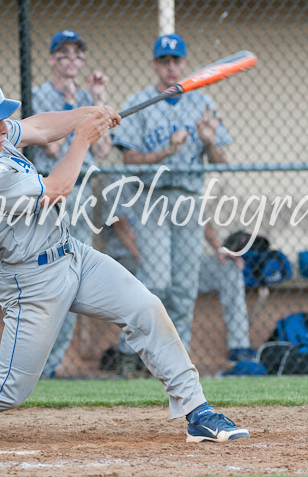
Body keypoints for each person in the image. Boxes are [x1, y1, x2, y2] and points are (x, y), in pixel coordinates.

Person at [0, 75, 249, 445]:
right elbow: (59, 188)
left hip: (72, 255)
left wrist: (88, 113)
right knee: (9, 388)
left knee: (146, 308)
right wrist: (83, 139)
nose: (3, 127)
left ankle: (197, 412)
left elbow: (39, 128)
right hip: (31, 279)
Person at [111, 34, 232, 352]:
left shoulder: (203, 103)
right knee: (156, 282)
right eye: (164, 61)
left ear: (185, 64)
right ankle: (132, 353)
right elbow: (129, 159)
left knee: (184, 288)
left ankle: (178, 357)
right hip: (153, 197)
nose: (171, 67)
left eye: (176, 60)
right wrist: (166, 152)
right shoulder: (140, 101)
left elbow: (222, 161)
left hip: (189, 198)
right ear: (154, 65)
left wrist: (208, 141)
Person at [30, 30, 110, 378]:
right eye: (63, 54)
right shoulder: (39, 95)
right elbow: (49, 148)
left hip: (80, 193)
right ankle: (35, 365)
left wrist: (98, 100)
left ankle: (52, 366)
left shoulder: (88, 99)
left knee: (71, 280)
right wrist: (71, 110)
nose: (71, 60)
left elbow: (103, 153)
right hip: (49, 192)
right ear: (51, 59)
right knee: (47, 278)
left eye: (77, 54)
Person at [103, 198, 255, 375]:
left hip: (177, 261)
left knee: (228, 269)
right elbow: (120, 224)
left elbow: (195, 215)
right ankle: (130, 355)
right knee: (156, 282)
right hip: (131, 259)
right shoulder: (120, 179)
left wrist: (219, 248)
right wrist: (146, 257)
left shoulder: (175, 178)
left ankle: (238, 348)